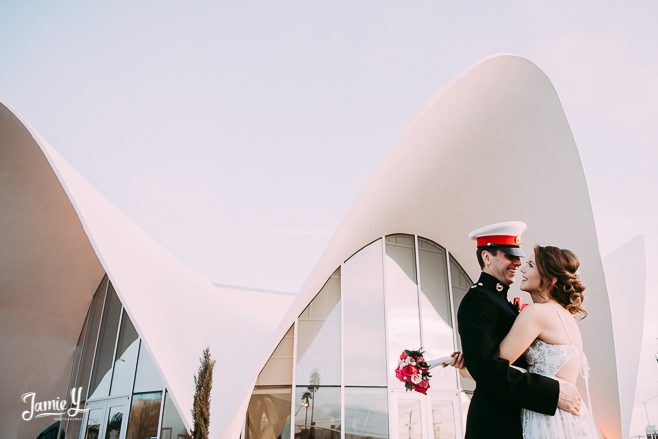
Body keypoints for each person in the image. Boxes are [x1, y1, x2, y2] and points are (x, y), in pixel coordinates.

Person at [457, 244, 599, 438]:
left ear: (550, 279)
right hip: (568, 420)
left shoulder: (534, 313)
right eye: (511, 256)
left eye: (530, 265)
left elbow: (490, 368)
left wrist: (469, 368)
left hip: (544, 418)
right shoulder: (567, 317)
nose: (521, 266)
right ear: (487, 258)